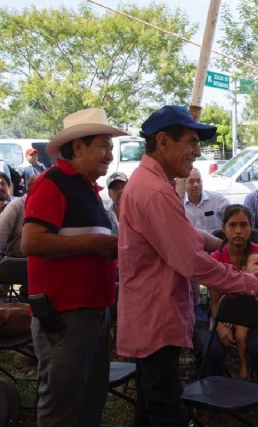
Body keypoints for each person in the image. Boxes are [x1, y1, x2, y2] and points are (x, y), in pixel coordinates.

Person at [117, 106, 258, 426]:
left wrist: (218, 243)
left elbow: (179, 235)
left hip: (152, 315)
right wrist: (250, 282)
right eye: (190, 141)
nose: (197, 151)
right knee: (165, 409)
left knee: (150, 406)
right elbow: (191, 262)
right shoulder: (156, 191)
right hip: (156, 317)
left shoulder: (149, 183)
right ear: (163, 141)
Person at [21, 108, 125, 426]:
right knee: (62, 409)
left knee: (88, 401)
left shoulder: (86, 187)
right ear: (78, 146)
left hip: (91, 313)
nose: (110, 154)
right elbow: (32, 242)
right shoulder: (52, 183)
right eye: (103, 145)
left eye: (110, 146)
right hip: (65, 316)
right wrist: (95, 244)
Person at [205, 204, 258, 384]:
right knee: (212, 349)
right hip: (226, 318)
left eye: (244, 225)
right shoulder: (216, 259)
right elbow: (214, 301)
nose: (238, 230)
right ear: (223, 228)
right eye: (232, 225)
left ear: (250, 227)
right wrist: (220, 326)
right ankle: (216, 395)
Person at [184, 168, 230, 232]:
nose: (196, 185)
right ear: (184, 185)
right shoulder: (180, 205)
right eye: (191, 182)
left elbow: (233, 217)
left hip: (216, 240)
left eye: (198, 181)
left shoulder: (217, 199)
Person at [105, 172, 127, 236]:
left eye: (124, 187)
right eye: (116, 188)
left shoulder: (138, 210)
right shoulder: (105, 213)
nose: (121, 191)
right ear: (109, 193)